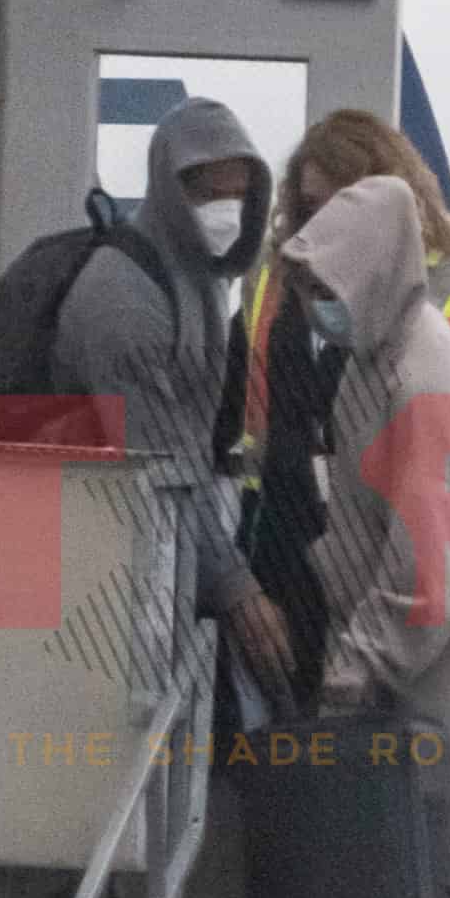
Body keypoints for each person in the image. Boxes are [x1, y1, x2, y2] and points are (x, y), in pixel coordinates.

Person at [221, 109, 450, 898]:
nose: (311, 282)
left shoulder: (418, 368)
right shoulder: (366, 350)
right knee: (377, 790)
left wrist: (356, 661)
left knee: (430, 796)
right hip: (389, 596)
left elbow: (432, 559)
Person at [51, 95, 297, 702]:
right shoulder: (124, 297)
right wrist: (236, 588)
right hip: (94, 556)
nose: (226, 211)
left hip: (158, 549)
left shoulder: (201, 276)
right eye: (208, 193)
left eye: (239, 195)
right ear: (169, 190)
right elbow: (158, 464)